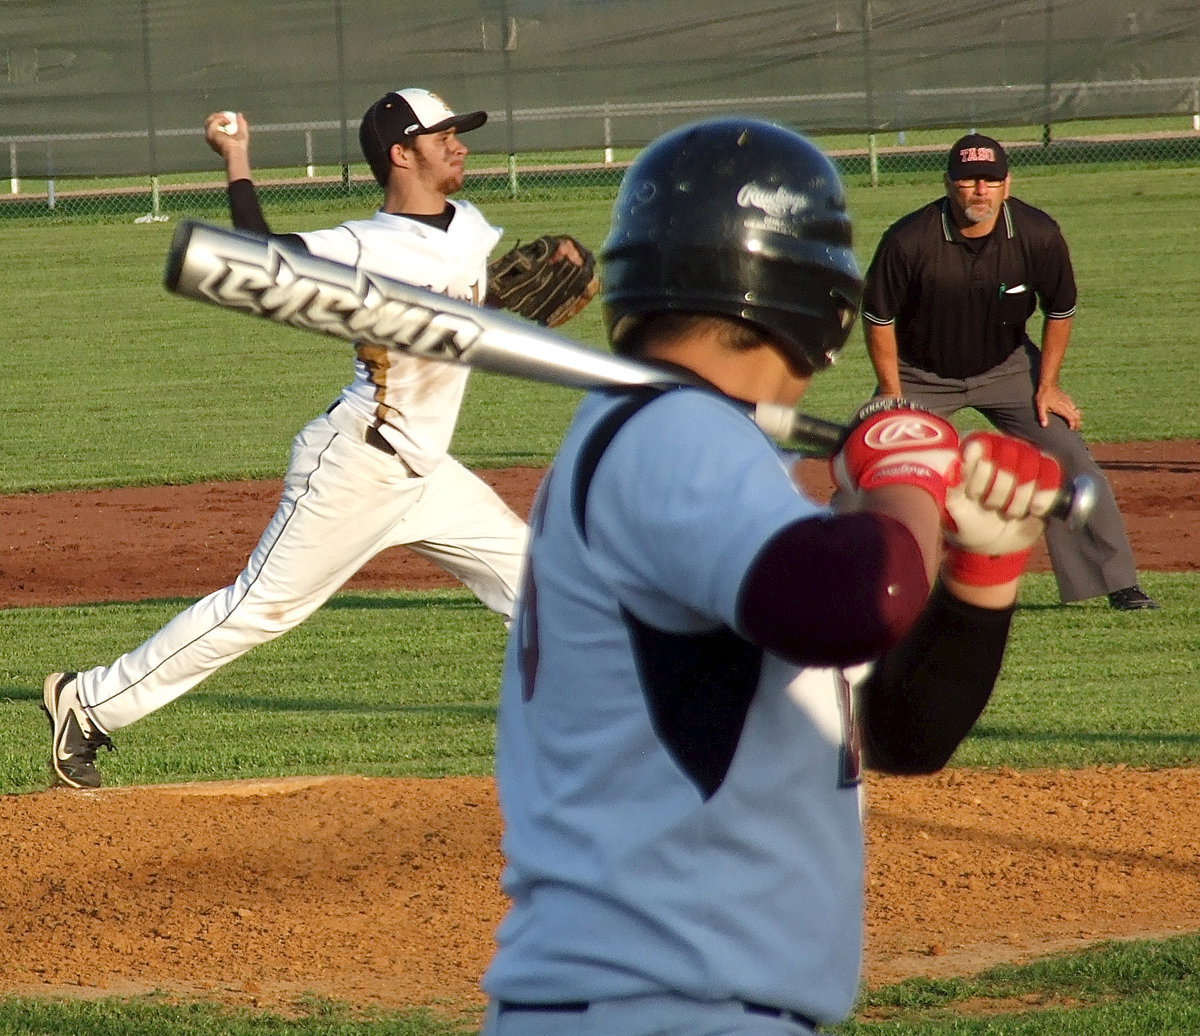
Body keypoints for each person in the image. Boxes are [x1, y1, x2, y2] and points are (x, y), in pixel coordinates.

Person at [480, 117, 1066, 1034]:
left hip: (669, 1003)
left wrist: (983, 569)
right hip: (663, 1004)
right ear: (825, 307)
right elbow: (856, 600)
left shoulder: (695, 454)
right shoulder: (670, 434)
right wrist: (909, 481)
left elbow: (905, 733)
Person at [41, 88, 536, 789]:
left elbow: (456, 316)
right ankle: (87, 703)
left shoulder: (471, 226)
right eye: (444, 134)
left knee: (542, 588)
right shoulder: (366, 244)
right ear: (402, 153)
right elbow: (257, 256)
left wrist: (507, 302)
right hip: (360, 464)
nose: (459, 143)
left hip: (427, 471)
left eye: (460, 131)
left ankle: (631, 729)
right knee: (257, 610)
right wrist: (238, 158)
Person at [861, 133, 1157, 611]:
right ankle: (868, 582)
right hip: (919, 374)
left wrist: (1049, 385)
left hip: (1008, 367)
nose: (980, 190)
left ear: (1007, 183)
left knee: (1066, 454)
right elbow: (879, 319)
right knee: (880, 464)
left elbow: (1060, 310)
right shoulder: (908, 240)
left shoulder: (1037, 234)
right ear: (948, 184)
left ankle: (1118, 584)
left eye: (990, 180)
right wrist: (892, 395)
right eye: (968, 180)